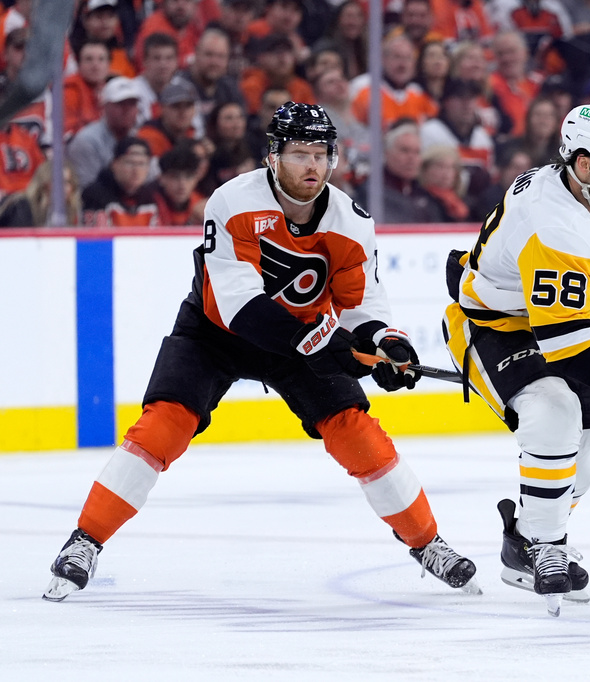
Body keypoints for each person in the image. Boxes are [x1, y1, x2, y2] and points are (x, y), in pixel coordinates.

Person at [43, 102, 478, 603]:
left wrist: (383, 343)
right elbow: (241, 308)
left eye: (321, 154)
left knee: (360, 437)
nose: (312, 166)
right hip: (215, 333)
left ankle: (427, 543)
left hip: (301, 339)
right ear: (272, 157)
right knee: (163, 425)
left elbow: (361, 306)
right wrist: (328, 342)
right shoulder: (231, 202)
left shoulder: (352, 222)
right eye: (299, 154)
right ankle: (85, 541)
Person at [442, 101, 590, 614]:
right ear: (582, 162)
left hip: (545, 320)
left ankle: (524, 542)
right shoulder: (552, 220)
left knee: (586, 459)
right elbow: (565, 341)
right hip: (491, 324)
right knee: (554, 412)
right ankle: (545, 550)